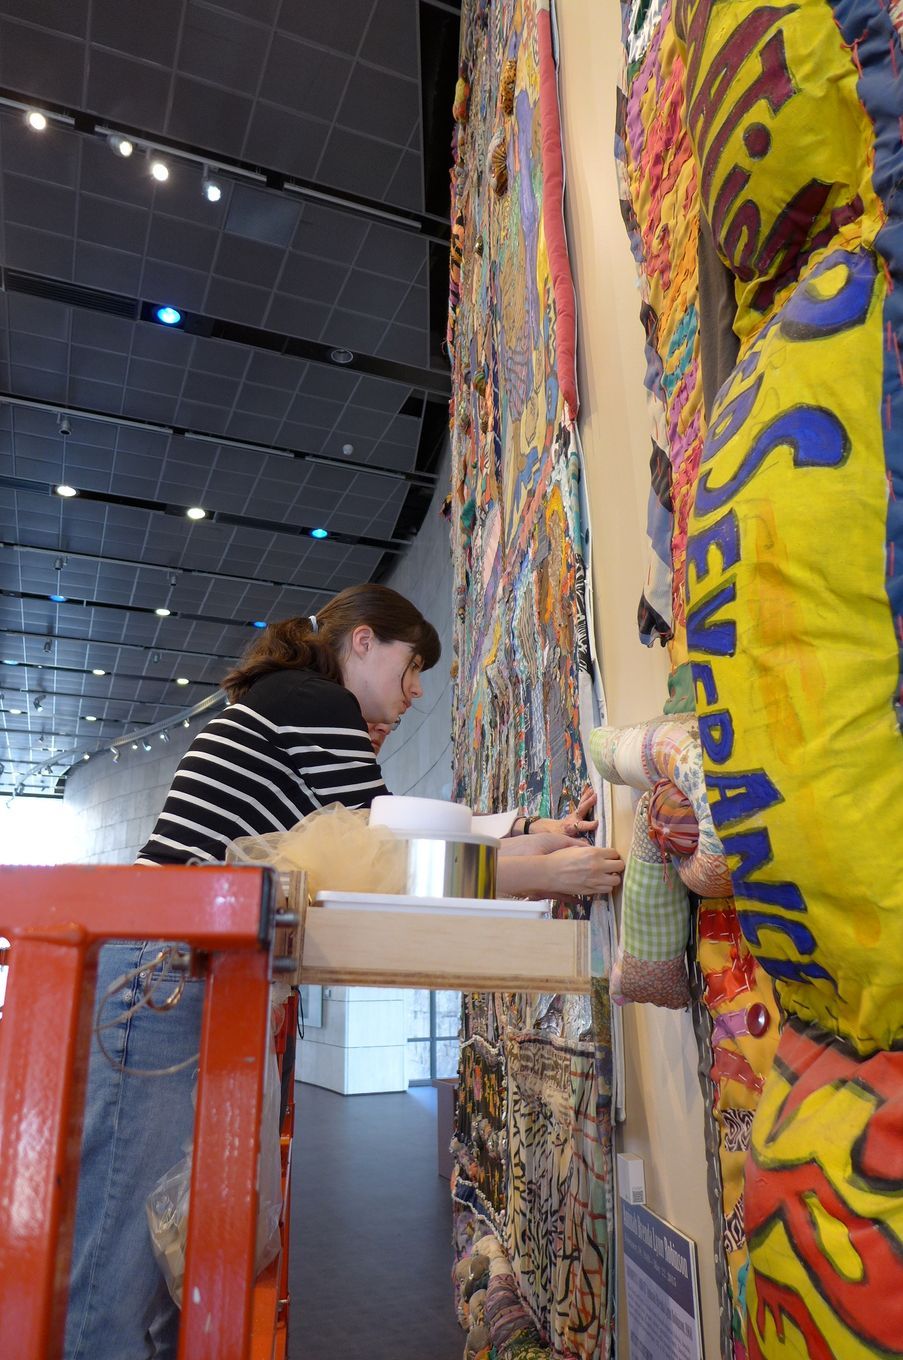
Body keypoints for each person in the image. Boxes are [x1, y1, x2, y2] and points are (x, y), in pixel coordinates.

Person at [65, 583, 621, 1358]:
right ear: (362, 642)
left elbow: (396, 842)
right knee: (124, 1261)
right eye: (412, 663)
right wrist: (548, 871)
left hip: (170, 976)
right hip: (167, 973)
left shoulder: (288, 703)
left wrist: (535, 836)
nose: (417, 689)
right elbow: (394, 864)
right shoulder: (315, 704)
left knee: (151, 1253)